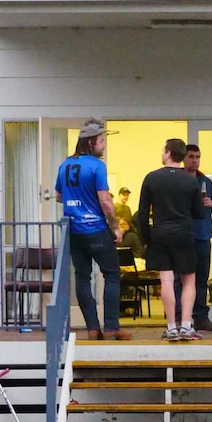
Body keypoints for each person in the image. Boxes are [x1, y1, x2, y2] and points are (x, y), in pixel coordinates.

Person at [54, 119, 131, 341]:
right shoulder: (97, 166)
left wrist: (76, 201)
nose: (104, 145)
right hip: (96, 228)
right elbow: (106, 201)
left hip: (73, 231)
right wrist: (115, 228)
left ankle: (92, 329)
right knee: (112, 275)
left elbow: (59, 195)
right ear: (90, 143)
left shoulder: (65, 164)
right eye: (101, 141)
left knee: (82, 277)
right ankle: (111, 327)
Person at [138, 138, 205, 342]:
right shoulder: (190, 181)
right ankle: (186, 325)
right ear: (182, 156)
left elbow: (142, 213)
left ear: (168, 153)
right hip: (184, 234)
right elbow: (199, 212)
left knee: (166, 280)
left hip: (160, 233)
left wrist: (146, 238)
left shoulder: (151, 178)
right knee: (189, 280)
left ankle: (170, 326)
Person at [174, 144, 212, 331]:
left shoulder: (205, 182)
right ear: (183, 158)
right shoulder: (177, 180)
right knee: (181, 278)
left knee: (201, 278)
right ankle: (179, 318)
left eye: (198, 157)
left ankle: (201, 317)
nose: (195, 160)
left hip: (202, 235)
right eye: (191, 156)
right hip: (183, 235)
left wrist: (211, 203)